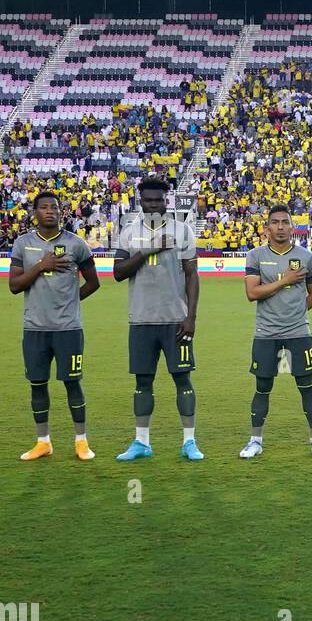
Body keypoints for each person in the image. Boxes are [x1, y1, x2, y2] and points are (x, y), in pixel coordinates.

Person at [112, 177, 203, 461]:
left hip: (175, 320)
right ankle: (141, 442)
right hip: (141, 319)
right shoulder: (128, 232)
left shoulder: (183, 231)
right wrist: (148, 250)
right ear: (141, 201)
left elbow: (192, 275)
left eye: (159, 200)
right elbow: (118, 272)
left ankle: (189, 442)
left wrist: (191, 317)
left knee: (182, 379)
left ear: (167, 201)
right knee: (143, 382)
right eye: (148, 200)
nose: (153, 204)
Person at [8, 192, 101, 461]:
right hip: (34, 328)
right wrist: (41, 265)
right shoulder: (22, 244)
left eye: (55, 208)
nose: (50, 211)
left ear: (62, 213)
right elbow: (14, 286)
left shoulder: (76, 244)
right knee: (38, 384)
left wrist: (70, 302)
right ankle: (43, 442)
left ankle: (81, 441)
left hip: (68, 328)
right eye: (44, 207)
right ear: (34, 212)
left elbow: (94, 282)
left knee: (72, 383)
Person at [239, 204, 312, 459]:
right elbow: (252, 293)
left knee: (306, 386)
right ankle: (255, 440)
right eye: (275, 222)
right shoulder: (255, 256)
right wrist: (284, 281)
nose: (280, 227)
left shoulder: (306, 257)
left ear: (292, 227)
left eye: (285, 222)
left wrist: (295, 314)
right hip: (266, 334)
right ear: (267, 228)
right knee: (263, 387)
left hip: (299, 333)